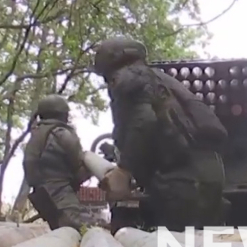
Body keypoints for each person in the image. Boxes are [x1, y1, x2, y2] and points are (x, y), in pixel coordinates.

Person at [92, 36, 228, 231]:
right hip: (209, 172)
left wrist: (124, 170)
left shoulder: (126, 79)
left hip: (181, 179)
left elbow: (142, 122)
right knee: (200, 246)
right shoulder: (158, 78)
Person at [23, 94, 108, 231]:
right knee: (80, 231)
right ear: (62, 114)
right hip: (62, 197)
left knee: (59, 233)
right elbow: (77, 166)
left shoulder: (36, 136)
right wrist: (97, 166)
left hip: (43, 197)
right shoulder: (62, 134)